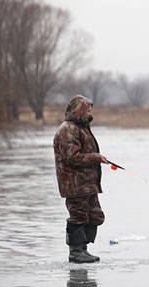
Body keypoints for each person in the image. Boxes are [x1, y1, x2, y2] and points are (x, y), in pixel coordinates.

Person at [53, 95, 108, 263]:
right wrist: (95, 157)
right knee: (78, 215)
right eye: (88, 110)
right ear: (80, 111)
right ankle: (76, 252)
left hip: (87, 183)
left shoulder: (81, 128)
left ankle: (83, 249)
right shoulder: (67, 130)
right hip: (74, 184)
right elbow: (72, 157)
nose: (91, 113)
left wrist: (97, 158)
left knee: (96, 216)